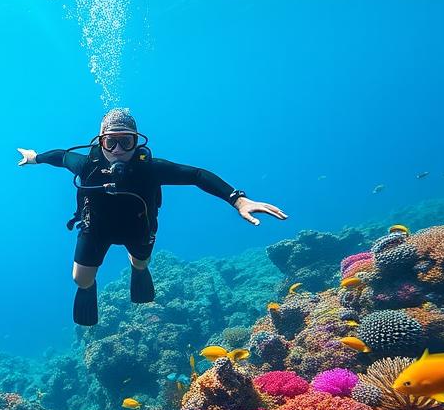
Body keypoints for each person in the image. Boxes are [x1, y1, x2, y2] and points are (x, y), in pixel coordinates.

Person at [17, 108, 287, 326]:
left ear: (137, 141)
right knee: (81, 280)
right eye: (111, 141)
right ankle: (91, 289)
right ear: (101, 142)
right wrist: (34, 158)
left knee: (140, 262)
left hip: (139, 229)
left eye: (127, 141)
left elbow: (196, 175)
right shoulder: (88, 165)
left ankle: (138, 270)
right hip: (95, 230)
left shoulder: (150, 170)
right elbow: (61, 157)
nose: (119, 149)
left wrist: (237, 199)